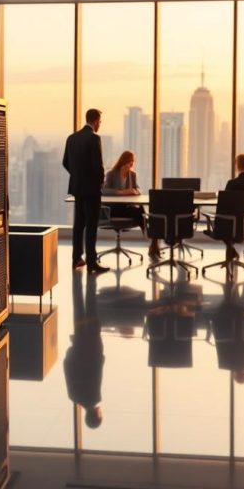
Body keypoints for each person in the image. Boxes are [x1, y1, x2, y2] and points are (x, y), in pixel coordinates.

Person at [63, 109, 109, 273]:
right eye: (100, 122)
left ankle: (76, 259)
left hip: (77, 187)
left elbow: (65, 162)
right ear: (96, 121)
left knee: (78, 224)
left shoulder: (72, 138)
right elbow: (98, 165)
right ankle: (91, 262)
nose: (99, 125)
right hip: (91, 189)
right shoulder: (94, 138)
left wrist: (77, 176)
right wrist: (100, 181)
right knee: (91, 225)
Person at [63, 272, 104, 429]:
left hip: (92, 345)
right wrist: (72, 350)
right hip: (79, 344)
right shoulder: (73, 396)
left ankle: (92, 278)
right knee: (78, 307)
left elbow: (97, 370)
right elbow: (67, 366)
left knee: (92, 308)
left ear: (97, 415)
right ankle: (77, 276)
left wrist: (101, 357)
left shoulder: (95, 397)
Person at [102, 151, 161, 260]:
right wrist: (120, 192)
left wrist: (134, 191)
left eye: (133, 162)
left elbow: (138, 189)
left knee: (141, 210)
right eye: (130, 161)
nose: (131, 164)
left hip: (126, 207)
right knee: (139, 212)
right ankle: (153, 241)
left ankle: (153, 241)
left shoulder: (132, 174)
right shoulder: (111, 173)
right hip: (113, 208)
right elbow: (104, 191)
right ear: (123, 161)